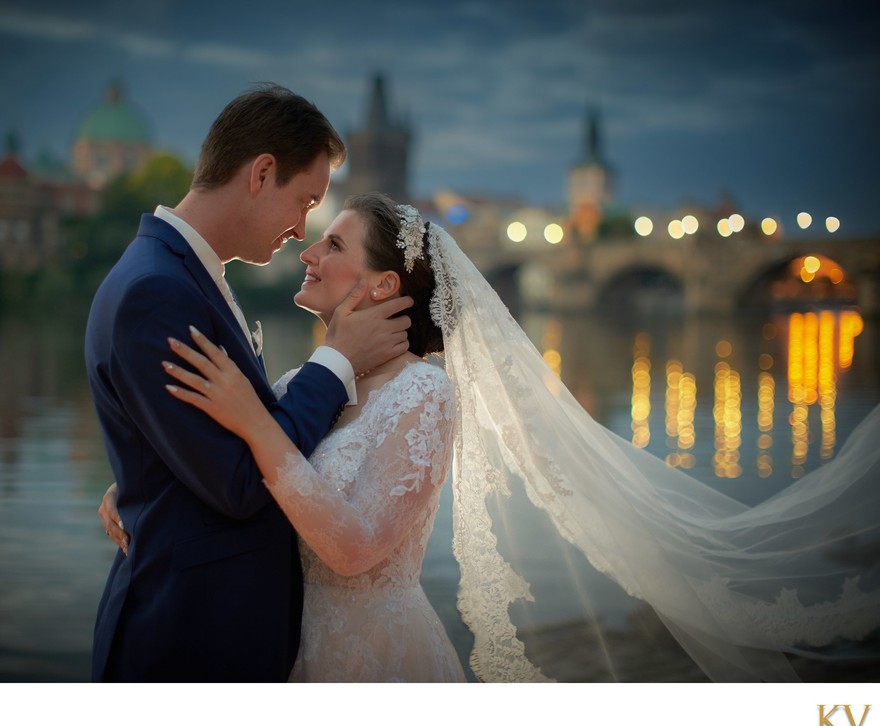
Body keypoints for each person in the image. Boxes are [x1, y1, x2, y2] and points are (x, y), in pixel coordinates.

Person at [102, 192, 880, 683]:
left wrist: (251, 427)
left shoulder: (424, 392)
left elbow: (349, 543)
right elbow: (237, 463)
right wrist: (147, 486)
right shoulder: (315, 382)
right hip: (289, 650)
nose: (308, 248)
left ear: (380, 286)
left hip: (369, 662)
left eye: (334, 244)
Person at [84, 86, 413, 682]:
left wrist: (150, 474)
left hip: (214, 634)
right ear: (262, 173)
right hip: (187, 643)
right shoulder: (157, 292)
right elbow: (240, 481)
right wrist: (334, 360)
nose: (302, 230)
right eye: (305, 200)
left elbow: (209, 444)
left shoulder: (183, 276)